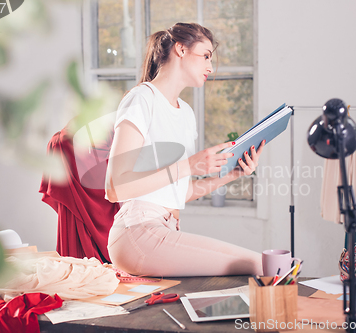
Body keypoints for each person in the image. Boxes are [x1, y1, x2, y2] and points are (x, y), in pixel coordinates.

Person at [105, 22, 265, 277]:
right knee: (262, 265)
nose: (211, 67)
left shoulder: (186, 113)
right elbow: (115, 187)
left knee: (262, 264)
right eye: (206, 56)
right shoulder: (141, 99)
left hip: (166, 227)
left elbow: (184, 191)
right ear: (180, 49)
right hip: (136, 232)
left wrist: (232, 174)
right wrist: (189, 165)